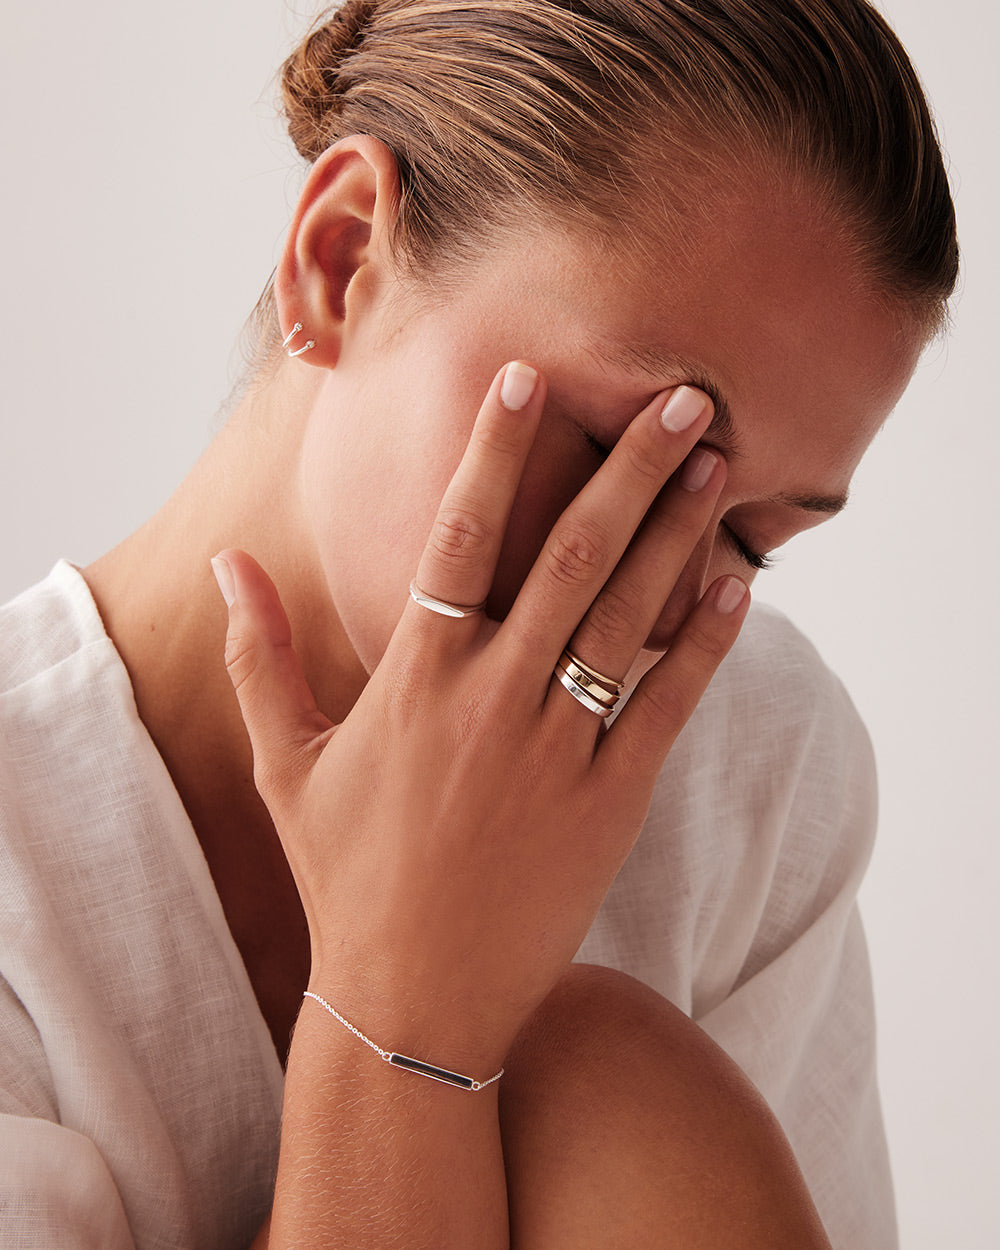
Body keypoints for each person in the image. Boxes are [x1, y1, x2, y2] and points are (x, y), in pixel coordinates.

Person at [0, 0, 957, 1246]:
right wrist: (403, 1020)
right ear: (339, 260)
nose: (658, 599)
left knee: (609, 1077)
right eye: (629, 458)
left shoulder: (744, 764)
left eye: (748, 537)